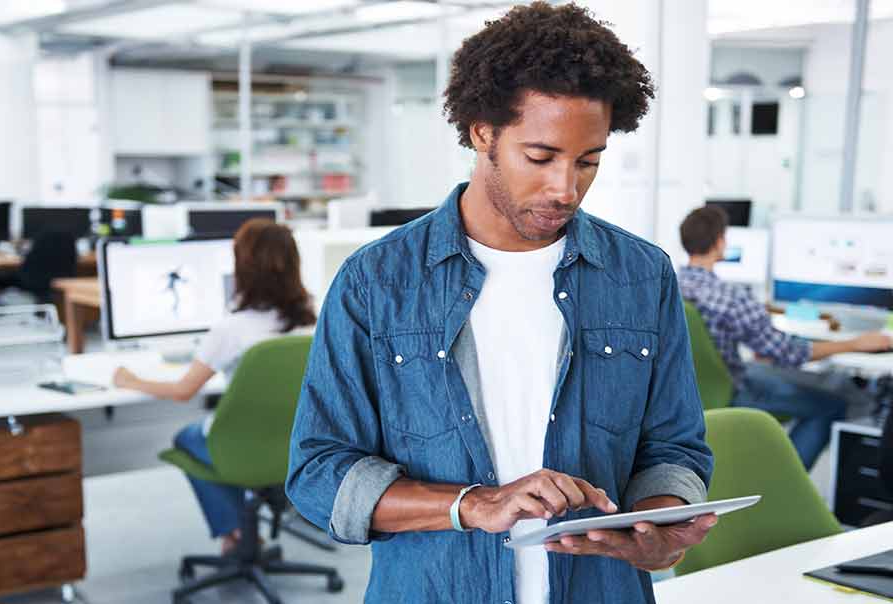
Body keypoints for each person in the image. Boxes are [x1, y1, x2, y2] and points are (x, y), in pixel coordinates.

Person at [286, 4, 715, 603]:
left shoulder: (641, 275)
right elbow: (319, 474)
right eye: (540, 157)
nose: (565, 188)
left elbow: (674, 449)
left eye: (588, 161)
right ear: (482, 131)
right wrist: (474, 505)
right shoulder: (375, 282)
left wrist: (659, 525)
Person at [113, 219, 316, 553]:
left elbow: (183, 392)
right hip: (294, 448)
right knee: (223, 440)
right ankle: (240, 532)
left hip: (238, 448)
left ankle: (233, 531)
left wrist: (130, 380)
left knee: (186, 439)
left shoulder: (232, 329)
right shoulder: (312, 321)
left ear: (243, 268)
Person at [678, 206, 892, 469]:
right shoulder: (729, 298)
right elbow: (788, 353)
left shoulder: (670, 287)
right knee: (831, 405)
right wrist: (855, 343)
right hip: (732, 390)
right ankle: (784, 481)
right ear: (720, 242)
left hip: (689, 394)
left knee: (803, 377)